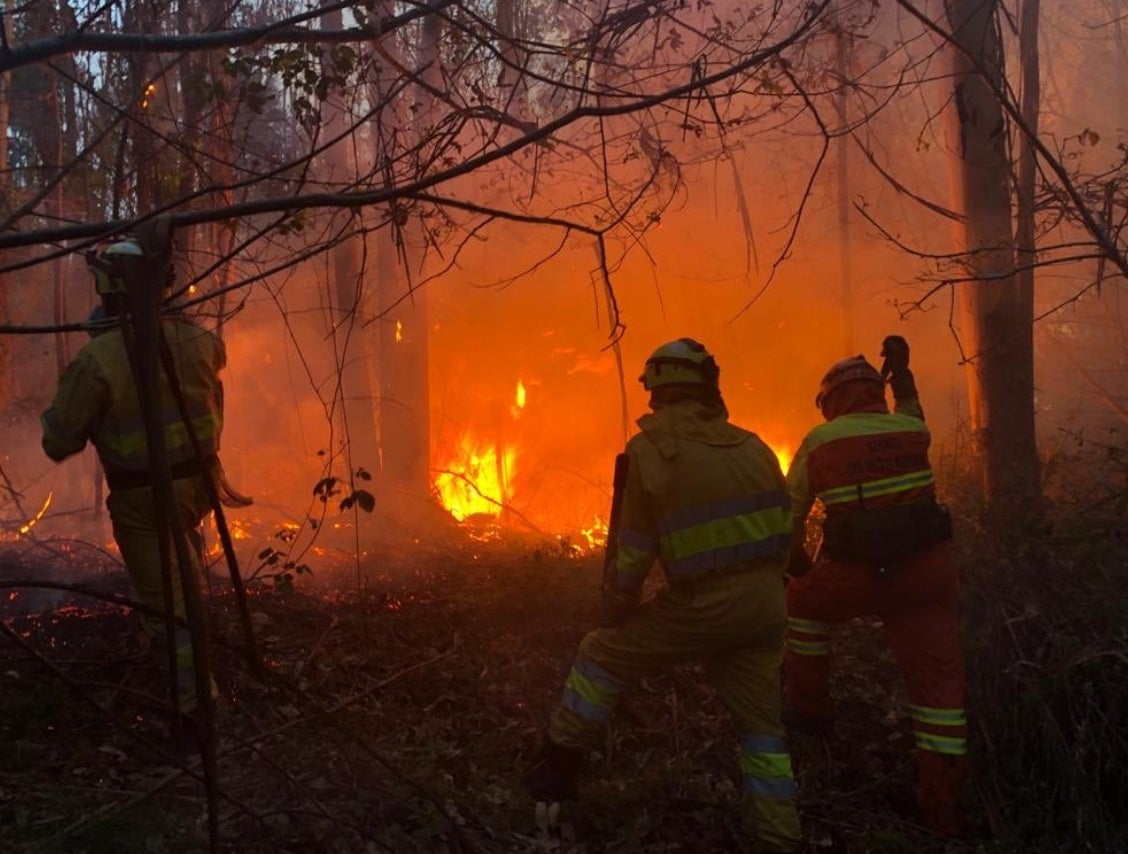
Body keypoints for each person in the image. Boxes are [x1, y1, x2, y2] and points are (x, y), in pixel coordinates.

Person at [522, 338, 803, 853]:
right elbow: (787, 529)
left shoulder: (651, 452)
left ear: (658, 392)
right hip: (767, 606)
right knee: (762, 732)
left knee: (601, 654)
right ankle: (779, 837)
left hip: (704, 605)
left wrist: (619, 602)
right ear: (707, 387)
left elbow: (634, 549)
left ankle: (558, 767)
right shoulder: (754, 446)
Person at [783, 336, 967, 837]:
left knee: (801, 609)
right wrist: (903, 374)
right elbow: (912, 408)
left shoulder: (820, 442)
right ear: (875, 393)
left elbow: (789, 517)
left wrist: (798, 568)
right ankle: (943, 811)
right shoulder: (911, 428)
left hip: (854, 577)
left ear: (830, 404)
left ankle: (810, 713)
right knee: (940, 699)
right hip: (926, 577)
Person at [41, 237, 225, 714]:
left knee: (168, 609)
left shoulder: (97, 359)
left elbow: (59, 442)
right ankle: (196, 657)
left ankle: (196, 708)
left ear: (109, 292)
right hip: (201, 485)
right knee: (180, 571)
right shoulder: (202, 340)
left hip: (144, 499)